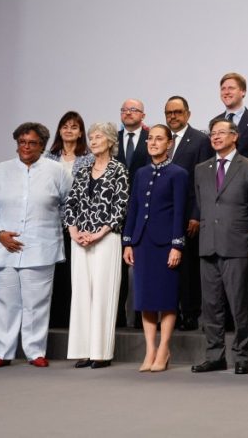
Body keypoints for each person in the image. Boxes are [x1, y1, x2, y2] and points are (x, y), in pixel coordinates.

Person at [0, 122, 72, 369]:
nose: (26, 147)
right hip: (3, 247)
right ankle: (3, 352)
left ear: (42, 145)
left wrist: (53, 228)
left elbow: (69, 203)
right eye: (22, 142)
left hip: (40, 247)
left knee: (36, 304)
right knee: (5, 303)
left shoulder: (57, 170)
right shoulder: (2, 170)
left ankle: (35, 352)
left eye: (32, 143)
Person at [191, 118, 248, 375]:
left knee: (240, 305)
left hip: (238, 244)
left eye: (221, 132)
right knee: (211, 306)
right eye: (212, 133)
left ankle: (241, 356)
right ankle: (214, 355)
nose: (216, 137)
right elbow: (203, 204)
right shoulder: (201, 169)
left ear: (235, 136)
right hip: (208, 244)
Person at [63, 122, 129, 369]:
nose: (93, 141)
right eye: (91, 137)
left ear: (110, 141)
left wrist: (99, 233)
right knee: (81, 294)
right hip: (80, 239)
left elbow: (120, 207)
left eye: (98, 137)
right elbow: (71, 204)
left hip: (106, 238)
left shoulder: (119, 170)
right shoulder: (82, 170)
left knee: (103, 294)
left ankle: (100, 353)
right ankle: (82, 350)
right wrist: (74, 232)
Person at [122, 124, 188, 372]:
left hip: (165, 244)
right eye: (150, 138)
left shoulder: (178, 173)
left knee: (166, 298)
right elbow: (134, 208)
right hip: (143, 243)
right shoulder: (141, 173)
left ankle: (164, 348)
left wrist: (177, 245)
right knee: (145, 298)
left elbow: (180, 212)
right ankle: (150, 349)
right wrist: (128, 242)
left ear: (169, 144)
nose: (153, 143)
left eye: (159, 139)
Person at [164, 96, 214, 331]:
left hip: (188, 215)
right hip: (164, 216)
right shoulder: (161, 138)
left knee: (188, 269)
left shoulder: (200, 140)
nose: (173, 116)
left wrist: (196, 214)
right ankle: (169, 313)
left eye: (177, 112)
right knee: (167, 268)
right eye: (169, 113)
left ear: (188, 114)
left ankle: (191, 314)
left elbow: (203, 181)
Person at [46, 111, 91, 329]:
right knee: (53, 271)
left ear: (81, 132)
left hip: (78, 223)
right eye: (65, 126)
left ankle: (72, 319)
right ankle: (54, 318)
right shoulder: (48, 158)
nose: (69, 130)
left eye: (74, 127)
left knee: (73, 272)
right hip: (51, 222)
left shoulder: (89, 158)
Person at [115, 99, 149, 328]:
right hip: (115, 214)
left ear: (143, 115)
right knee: (116, 269)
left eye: (133, 110)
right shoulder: (112, 139)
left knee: (141, 267)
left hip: (143, 211)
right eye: (124, 110)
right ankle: (117, 317)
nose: (128, 113)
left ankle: (140, 317)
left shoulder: (151, 138)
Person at [213, 72, 248, 162]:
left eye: (231, 88)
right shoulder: (215, 122)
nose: (226, 92)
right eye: (223, 89)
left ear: (243, 92)